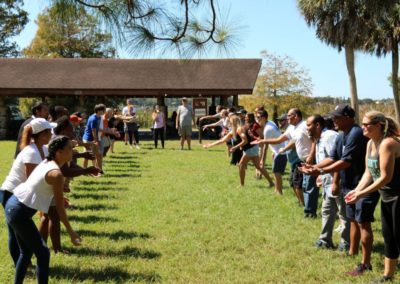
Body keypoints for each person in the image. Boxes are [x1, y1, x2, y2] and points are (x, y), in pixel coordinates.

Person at [304, 105, 379, 275]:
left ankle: (365, 264)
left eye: (337, 117)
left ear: (347, 117)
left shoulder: (356, 133)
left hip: (363, 185)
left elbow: (346, 161)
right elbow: (333, 158)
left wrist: (320, 171)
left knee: (363, 222)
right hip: (349, 184)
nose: (334, 121)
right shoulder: (340, 136)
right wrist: (314, 167)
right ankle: (353, 252)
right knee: (352, 219)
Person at [5, 136, 81, 284]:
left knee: (26, 252)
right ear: (59, 152)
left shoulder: (48, 161)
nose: (73, 151)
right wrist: (72, 233)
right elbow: (59, 209)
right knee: (43, 253)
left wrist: (58, 191)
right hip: (18, 212)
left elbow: (40, 184)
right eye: (69, 148)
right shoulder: (56, 173)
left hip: (12, 205)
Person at [345, 111, 400, 282]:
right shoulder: (371, 143)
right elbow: (369, 172)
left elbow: (385, 177)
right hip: (387, 197)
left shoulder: (388, 144)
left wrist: (361, 193)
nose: (362, 127)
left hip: (398, 197)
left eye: (366, 124)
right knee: (388, 237)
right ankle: (388, 276)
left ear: (378, 126)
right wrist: (357, 191)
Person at [0, 118, 54, 266]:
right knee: (15, 232)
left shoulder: (42, 148)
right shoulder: (31, 152)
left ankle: (24, 262)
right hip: (11, 193)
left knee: (21, 232)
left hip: (20, 193)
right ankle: (22, 263)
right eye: (49, 131)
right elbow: (33, 181)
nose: (52, 134)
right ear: (42, 134)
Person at [253, 108, 317, 217]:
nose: (287, 118)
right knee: (294, 182)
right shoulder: (292, 128)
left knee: (306, 186)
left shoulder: (304, 126)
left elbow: (315, 140)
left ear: (296, 116)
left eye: (289, 116)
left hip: (309, 160)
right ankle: (304, 205)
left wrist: (311, 156)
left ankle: (310, 212)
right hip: (299, 160)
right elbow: (279, 139)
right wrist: (263, 140)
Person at [301, 115, 349, 250]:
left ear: (317, 125)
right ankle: (325, 240)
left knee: (343, 213)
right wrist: (319, 174)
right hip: (327, 180)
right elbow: (325, 159)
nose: (307, 128)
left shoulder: (329, 136)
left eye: (309, 125)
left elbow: (338, 160)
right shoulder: (319, 139)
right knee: (327, 211)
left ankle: (346, 243)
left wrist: (335, 182)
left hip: (337, 181)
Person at [257, 110, 287, 195]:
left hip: (280, 152)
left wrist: (262, 160)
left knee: (277, 173)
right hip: (277, 151)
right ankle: (276, 190)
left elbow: (265, 146)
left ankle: (279, 192)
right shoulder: (270, 122)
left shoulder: (268, 129)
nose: (257, 119)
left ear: (264, 118)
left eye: (258, 117)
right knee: (275, 171)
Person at [82, 104, 105, 173]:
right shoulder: (94, 119)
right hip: (88, 139)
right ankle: (84, 170)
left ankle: (99, 170)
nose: (104, 111)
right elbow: (93, 131)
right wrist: (96, 141)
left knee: (98, 155)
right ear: (98, 111)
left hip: (93, 138)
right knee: (87, 155)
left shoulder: (99, 117)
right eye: (103, 110)